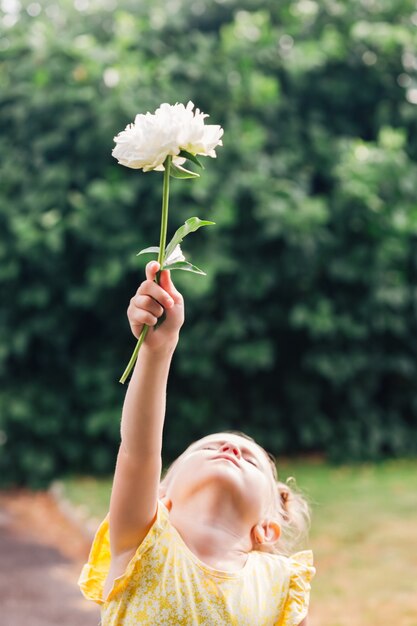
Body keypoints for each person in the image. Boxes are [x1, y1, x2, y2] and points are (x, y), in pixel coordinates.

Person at [79, 262, 315, 625]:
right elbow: (139, 453)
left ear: (268, 527)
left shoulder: (279, 585)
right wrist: (158, 349)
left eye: (251, 460)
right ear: (160, 498)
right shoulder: (143, 543)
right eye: (207, 449)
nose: (231, 449)